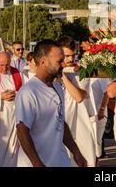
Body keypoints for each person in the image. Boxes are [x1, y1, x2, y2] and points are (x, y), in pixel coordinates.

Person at [15, 39, 86, 167]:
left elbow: (60, 121)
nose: (64, 65)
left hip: (60, 161)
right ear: (43, 62)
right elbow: (22, 131)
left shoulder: (58, 87)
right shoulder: (28, 92)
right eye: (59, 61)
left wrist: (76, 152)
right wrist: (37, 163)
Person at [58, 37, 97, 167]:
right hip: (58, 127)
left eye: (72, 55)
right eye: (66, 56)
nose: (70, 59)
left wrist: (62, 76)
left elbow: (79, 96)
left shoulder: (81, 71)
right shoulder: (51, 72)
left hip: (79, 127)